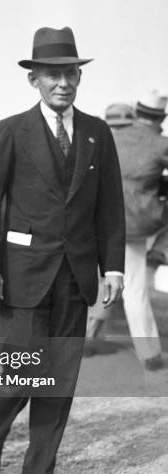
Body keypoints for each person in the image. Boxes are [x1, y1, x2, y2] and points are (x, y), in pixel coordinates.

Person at [0, 27, 125, 474]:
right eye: (52, 74)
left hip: (76, 276)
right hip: (21, 274)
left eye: (70, 73)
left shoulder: (97, 133)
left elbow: (110, 207)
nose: (62, 82)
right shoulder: (11, 131)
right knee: (22, 372)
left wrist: (114, 267)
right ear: (33, 79)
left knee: (59, 378)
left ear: (78, 77)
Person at [87, 94, 168, 369]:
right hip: (136, 226)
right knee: (134, 288)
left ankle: (88, 336)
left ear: (137, 112)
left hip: (97, 221)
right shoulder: (160, 143)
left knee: (107, 279)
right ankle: (149, 353)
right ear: (161, 118)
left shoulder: (108, 136)